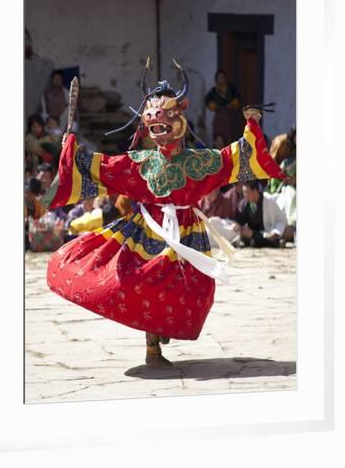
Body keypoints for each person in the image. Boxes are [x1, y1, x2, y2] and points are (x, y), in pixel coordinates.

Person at [41, 60, 287, 367]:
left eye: (166, 116)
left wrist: (252, 125)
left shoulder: (199, 163)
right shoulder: (139, 162)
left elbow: (234, 158)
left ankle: (162, 329)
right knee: (144, 281)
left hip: (187, 234)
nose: (158, 124)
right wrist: (72, 151)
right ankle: (152, 346)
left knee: (194, 289)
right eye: (153, 118)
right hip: (148, 231)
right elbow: (101, 168)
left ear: (179, 121)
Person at [234, 181, 287, 248]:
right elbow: (239, 220)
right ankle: (275, 243)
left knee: (270, 238)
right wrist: (237, 225)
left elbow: (280, 220)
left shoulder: (269, 201)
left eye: (247, 192)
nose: (245, 195)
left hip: (267, 232)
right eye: (244, 192)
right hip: (251, 234)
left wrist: (276, 232)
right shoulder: (243, 204)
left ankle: (275, 242)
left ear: (255, 191)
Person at [205, 70, 243, 145]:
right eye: (219, 78)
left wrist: (232, 104)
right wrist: (214, 106)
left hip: (229, 118)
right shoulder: (214, 91)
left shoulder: (231, 89)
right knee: (218, 138)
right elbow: (207, 101)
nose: (220, 79)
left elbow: (237, 99)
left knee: (228, 138)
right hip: (218, 118)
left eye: (222, 77)